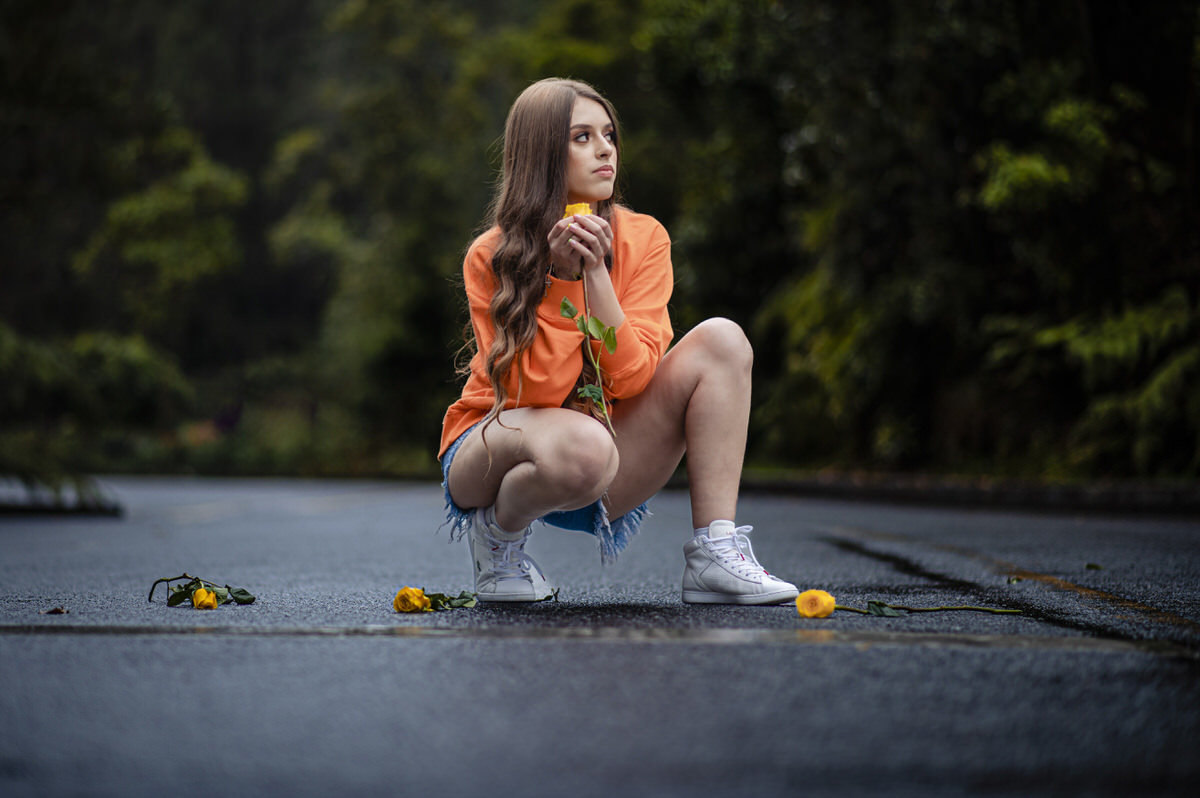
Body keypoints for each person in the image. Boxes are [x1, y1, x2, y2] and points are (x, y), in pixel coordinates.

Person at [439, 77, 798, 606]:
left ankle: (714, 552)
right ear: (540, 154)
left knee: (723, 339)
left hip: (603, 462)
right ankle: (499, 537)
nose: (605, 148)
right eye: (581, 137)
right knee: (583, 446)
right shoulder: (491, 255)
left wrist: (594, 275)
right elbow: (528, 392)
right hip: (493, 454)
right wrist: (558, 279)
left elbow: (632, 378)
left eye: (608, 134)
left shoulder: (646, 238)